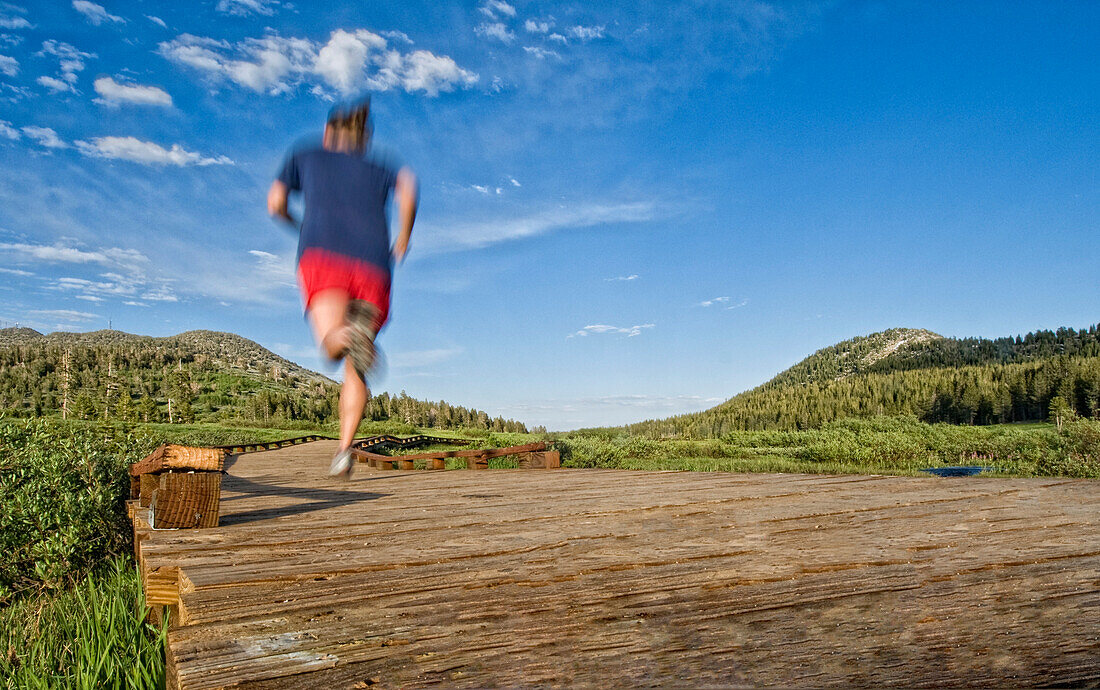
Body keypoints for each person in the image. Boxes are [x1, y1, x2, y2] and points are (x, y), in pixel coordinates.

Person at [267, 98, 418, 479]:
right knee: (356, 371)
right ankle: (343, 450)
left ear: (327, 133)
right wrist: (404, 235)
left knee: (333, 345)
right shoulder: (381, 166)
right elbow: (409, 184)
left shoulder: (306, 154)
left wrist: (296, 221)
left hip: (324, 254)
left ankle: (348, 333)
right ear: (365, 140)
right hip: (374, 265)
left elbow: (276, 202)